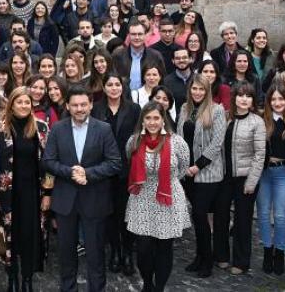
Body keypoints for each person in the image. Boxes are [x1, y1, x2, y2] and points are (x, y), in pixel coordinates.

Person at [43, 85, 122, 292]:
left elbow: (115, 163)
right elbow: (48, 160)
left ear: (90, 105)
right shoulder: (58, 129)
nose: (79, 109)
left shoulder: (103, 129)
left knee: (96, 254)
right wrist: (70, 172)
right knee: (66, 254)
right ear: (67, 106)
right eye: (75, 105)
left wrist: (88, 173)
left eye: (83, 104)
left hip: (95, 200)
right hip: (65, 201)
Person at [124, 101, 191, 292]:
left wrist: (165, 183)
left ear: (163, 119)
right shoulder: (134, 141)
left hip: (167, 197)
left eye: (156, 118)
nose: (152, 122)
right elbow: (130, 161)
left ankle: (159, 287)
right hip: (142, 197)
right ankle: (147, 283)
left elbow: (183, 168)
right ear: (142, 120)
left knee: (164, 247)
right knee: (143, 247)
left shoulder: (177, 142)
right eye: (148, 118)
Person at [0, 87, 52, 291]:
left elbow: (50, 163)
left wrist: (48, 193)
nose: (24, 106)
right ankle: (12, 278)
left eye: (27, 102)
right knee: (10, 237)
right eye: (19, 102)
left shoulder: (42, 128)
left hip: (33, 194)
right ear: (11, 104)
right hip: (7, 195)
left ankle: (27, 279)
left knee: (30, 236)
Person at [91, 72, 140, 276]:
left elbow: (139, 137)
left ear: (122, 87)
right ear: (104, 87)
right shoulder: (96, 109)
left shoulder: (134, 109)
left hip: (127, 170)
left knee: (127, 214)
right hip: (104, 170)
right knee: (110, 214)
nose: (113, 88)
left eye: (117, 84)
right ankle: (116, 252)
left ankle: (128, 252)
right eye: (109, 84)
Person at [179, 74, 227, 277]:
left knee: (200, 214)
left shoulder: (216, 110)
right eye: (194, 88)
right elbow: (180, 138)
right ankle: (199, 256)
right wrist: (183, 166)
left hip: (207, 172)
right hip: (187, 172)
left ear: (207, 91)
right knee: (197, 218)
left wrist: (197, 166)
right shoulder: (185, 108)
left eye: (201, 89)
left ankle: (207, 259)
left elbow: (217, 143)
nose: (197, 92)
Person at [215, 82, 266, 274]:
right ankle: (220, 255)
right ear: (234, 97)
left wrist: (252, 181)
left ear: (252, 100)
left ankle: (241, 261)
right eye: (241, 95)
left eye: (248, 96)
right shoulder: (226, 117)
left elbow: (260, 154)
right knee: (220, 217)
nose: (244, 99)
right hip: (224, 176)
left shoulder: (257, 122)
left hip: (245, 178)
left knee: (243, 221)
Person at [256, 84, 285, 276]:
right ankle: (267, 251)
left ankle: (280, 252)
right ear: (268, 102)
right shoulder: (262, 120)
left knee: (281, 215)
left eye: (281, 99)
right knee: (264, 213)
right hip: (265, 173)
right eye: (273, 99)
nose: (277, 103)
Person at [111, 22, 164, 92]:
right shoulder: (118, 55)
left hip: (148, 98)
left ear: (145, 35)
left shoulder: (155, 56)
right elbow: (111, 78)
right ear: (128, 36)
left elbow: (162, 80)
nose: (137, 37)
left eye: (140, 34)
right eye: (133, 34)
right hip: (124, 97)